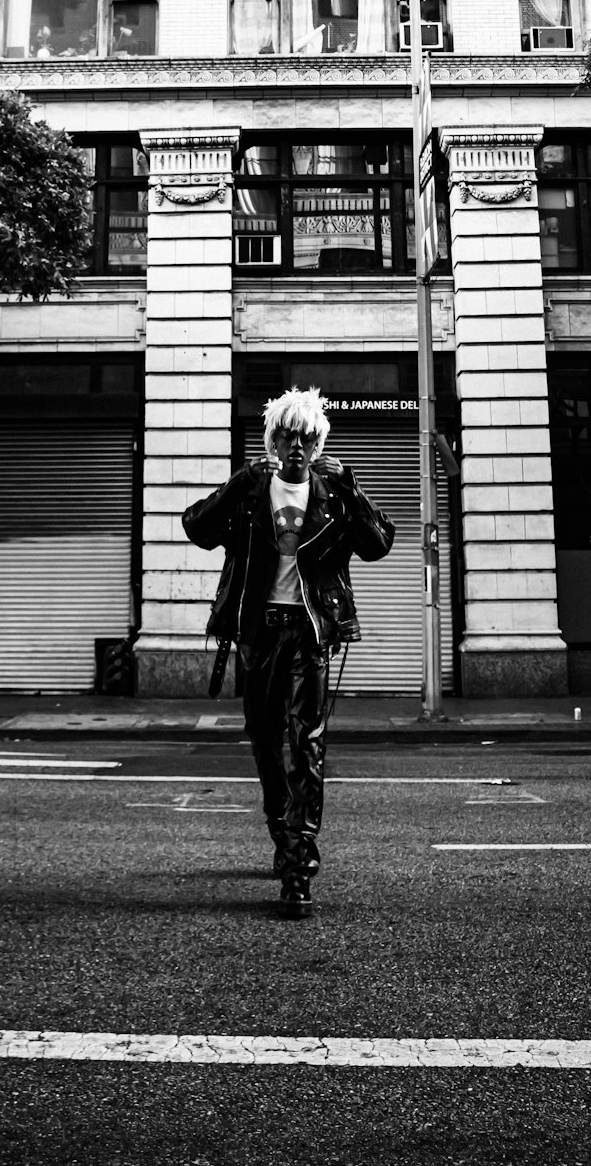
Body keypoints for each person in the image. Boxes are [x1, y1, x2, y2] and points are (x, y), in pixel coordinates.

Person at [182, 387, 395, 916]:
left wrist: (354, 487)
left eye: (305, 438)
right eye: (286, 436)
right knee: (264, 742)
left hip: (309, 633)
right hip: (258, 634)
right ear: (272, 439)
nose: (295, 447)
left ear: (318, 444)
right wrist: (236, 483)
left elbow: (378, 544)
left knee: (303, 745)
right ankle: (283, 835)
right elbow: (197, 527)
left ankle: (299, 867)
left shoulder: (331, 494)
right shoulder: (253, 490)